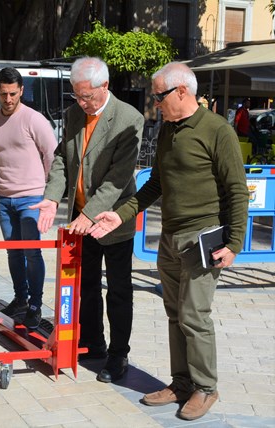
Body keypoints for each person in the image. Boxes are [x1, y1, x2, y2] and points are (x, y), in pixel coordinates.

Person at [88, 62, 248, 421]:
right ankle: (181, 383)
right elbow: (155, 185)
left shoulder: (217, 131)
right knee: (175, 315)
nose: (154, 103)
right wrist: (120, 213)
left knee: (194, 316)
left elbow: (238, 191)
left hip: (202, 238)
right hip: (170, 237)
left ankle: (206, 387)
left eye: (158, 96)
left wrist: (234, 243)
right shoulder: (167, 131)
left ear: (181, 92)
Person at [30, 57, 144, 383]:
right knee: (87, 286)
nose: (82, 103)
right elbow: (61, 162)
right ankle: (93, 342)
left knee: (119, 290)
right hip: (81, 217)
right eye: (77, 96)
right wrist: (52, 197)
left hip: (112, 220)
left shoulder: (128, 119)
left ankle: (118, 355)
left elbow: (118, 178)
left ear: (104, 86)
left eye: (87, 97)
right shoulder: (73, 115)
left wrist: (90, 214)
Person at [0, 67, 57, 329]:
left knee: (32, 252)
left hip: (32, 199)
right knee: (14, 253)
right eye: (4, 94)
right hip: (4, 198)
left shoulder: (34, 120)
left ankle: (36, 305)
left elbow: (51, 155)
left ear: (21, 91)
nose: (9, 99)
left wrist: (43, 188)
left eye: (13, 94)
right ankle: (21, 299)